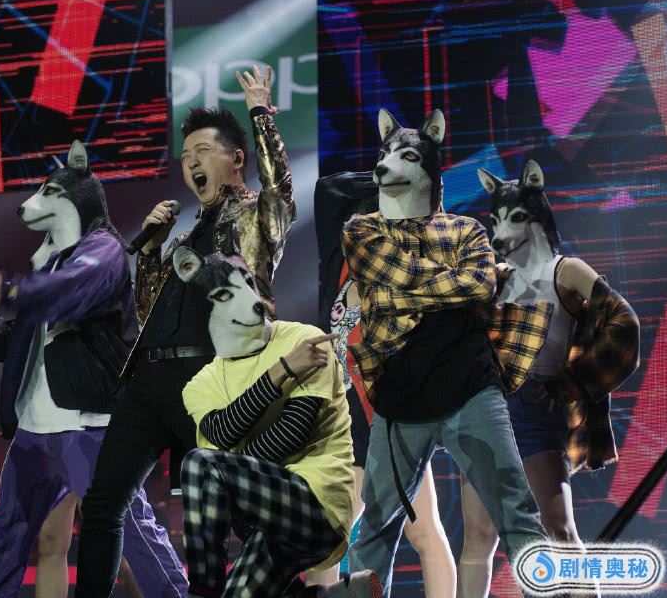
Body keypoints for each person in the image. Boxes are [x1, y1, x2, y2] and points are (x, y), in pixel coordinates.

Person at [75, 65, 295, 597]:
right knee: (102, 504)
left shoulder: (256, 217)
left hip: (209, 379)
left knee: (231, 512)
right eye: (185, 154)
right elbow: (147, 309)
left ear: (235, 159)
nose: (191, 161)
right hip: (148, 383)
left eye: (203, 150)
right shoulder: (183, 239)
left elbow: (280, 187)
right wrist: (152, 248)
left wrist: (261, 113)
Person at [0, 142, 186, 598]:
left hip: (90, 426)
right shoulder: (46, 268)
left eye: (48, 193)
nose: (30, 206)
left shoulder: (104, 252)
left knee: (135, 533)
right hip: (34, 430)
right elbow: (17, 343)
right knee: (5, 535)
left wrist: (8, 293)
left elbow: (69, 291)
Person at [342, 108, 552, 597]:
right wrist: (454, 286)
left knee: (518, 514)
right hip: (398, 400)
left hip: (471, 390)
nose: (387, 165)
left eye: (407, 156)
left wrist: (402, 294)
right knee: (375, 529)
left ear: (430, 164)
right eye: (385, 154)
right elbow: (462, 283)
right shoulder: (361, 231)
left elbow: (478, 286)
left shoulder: (468, 229)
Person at [456, 162, 641, 597]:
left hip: (536, 409)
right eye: (497, 220)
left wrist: (572, 383)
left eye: (515, 218)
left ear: (536, 216)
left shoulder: (566, 271)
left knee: (557, 530)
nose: (501, 232)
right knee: (479, 535)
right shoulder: (496, 276)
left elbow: (624, 324)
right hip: (487, 409)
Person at [172, 247, 367, 598]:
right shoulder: (200, 385)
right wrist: (282, 371)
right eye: (225, 294)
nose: (252, 301)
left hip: (317, 509)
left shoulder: (303, 340)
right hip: (263, 523)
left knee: (202, 464)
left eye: (249, 283)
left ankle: (201, 593)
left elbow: (292, 434)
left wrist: (231, 472)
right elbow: (222, 432)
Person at [312, 171, 455, 597]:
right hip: (351, 424)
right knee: (416, 531)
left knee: (409, 533)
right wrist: (385, 179)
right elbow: (327, 190)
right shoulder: (339, 271)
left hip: (388, 424)